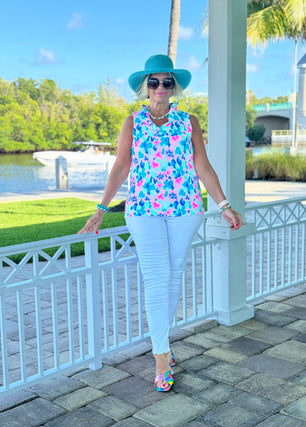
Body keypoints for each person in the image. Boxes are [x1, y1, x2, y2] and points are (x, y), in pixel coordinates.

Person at [78, 54, 243, 392]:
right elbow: (121, 168)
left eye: (167, 82)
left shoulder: (189, 122)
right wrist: (100, 208)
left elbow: (203, 167)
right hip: (143, 209)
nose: (160, 88)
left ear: (174, 86)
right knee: (157, 278)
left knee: (172, 277)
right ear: (145, 87)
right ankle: (161, 357)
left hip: (185, 207)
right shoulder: (132, 122)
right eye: (153, 82)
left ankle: (163, 345)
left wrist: (224, 205)